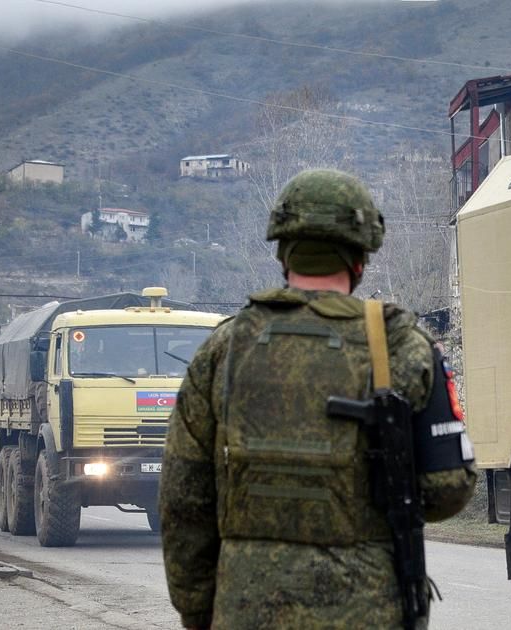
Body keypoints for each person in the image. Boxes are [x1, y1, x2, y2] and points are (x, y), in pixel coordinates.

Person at [159, 169, 478, 629]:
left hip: (245, 609)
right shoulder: (403, 347)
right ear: (361, 259)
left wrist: (198, 609)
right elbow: (448, 490)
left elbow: (183, 501)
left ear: (283, 252)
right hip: (367, 610)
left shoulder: (223, 350)